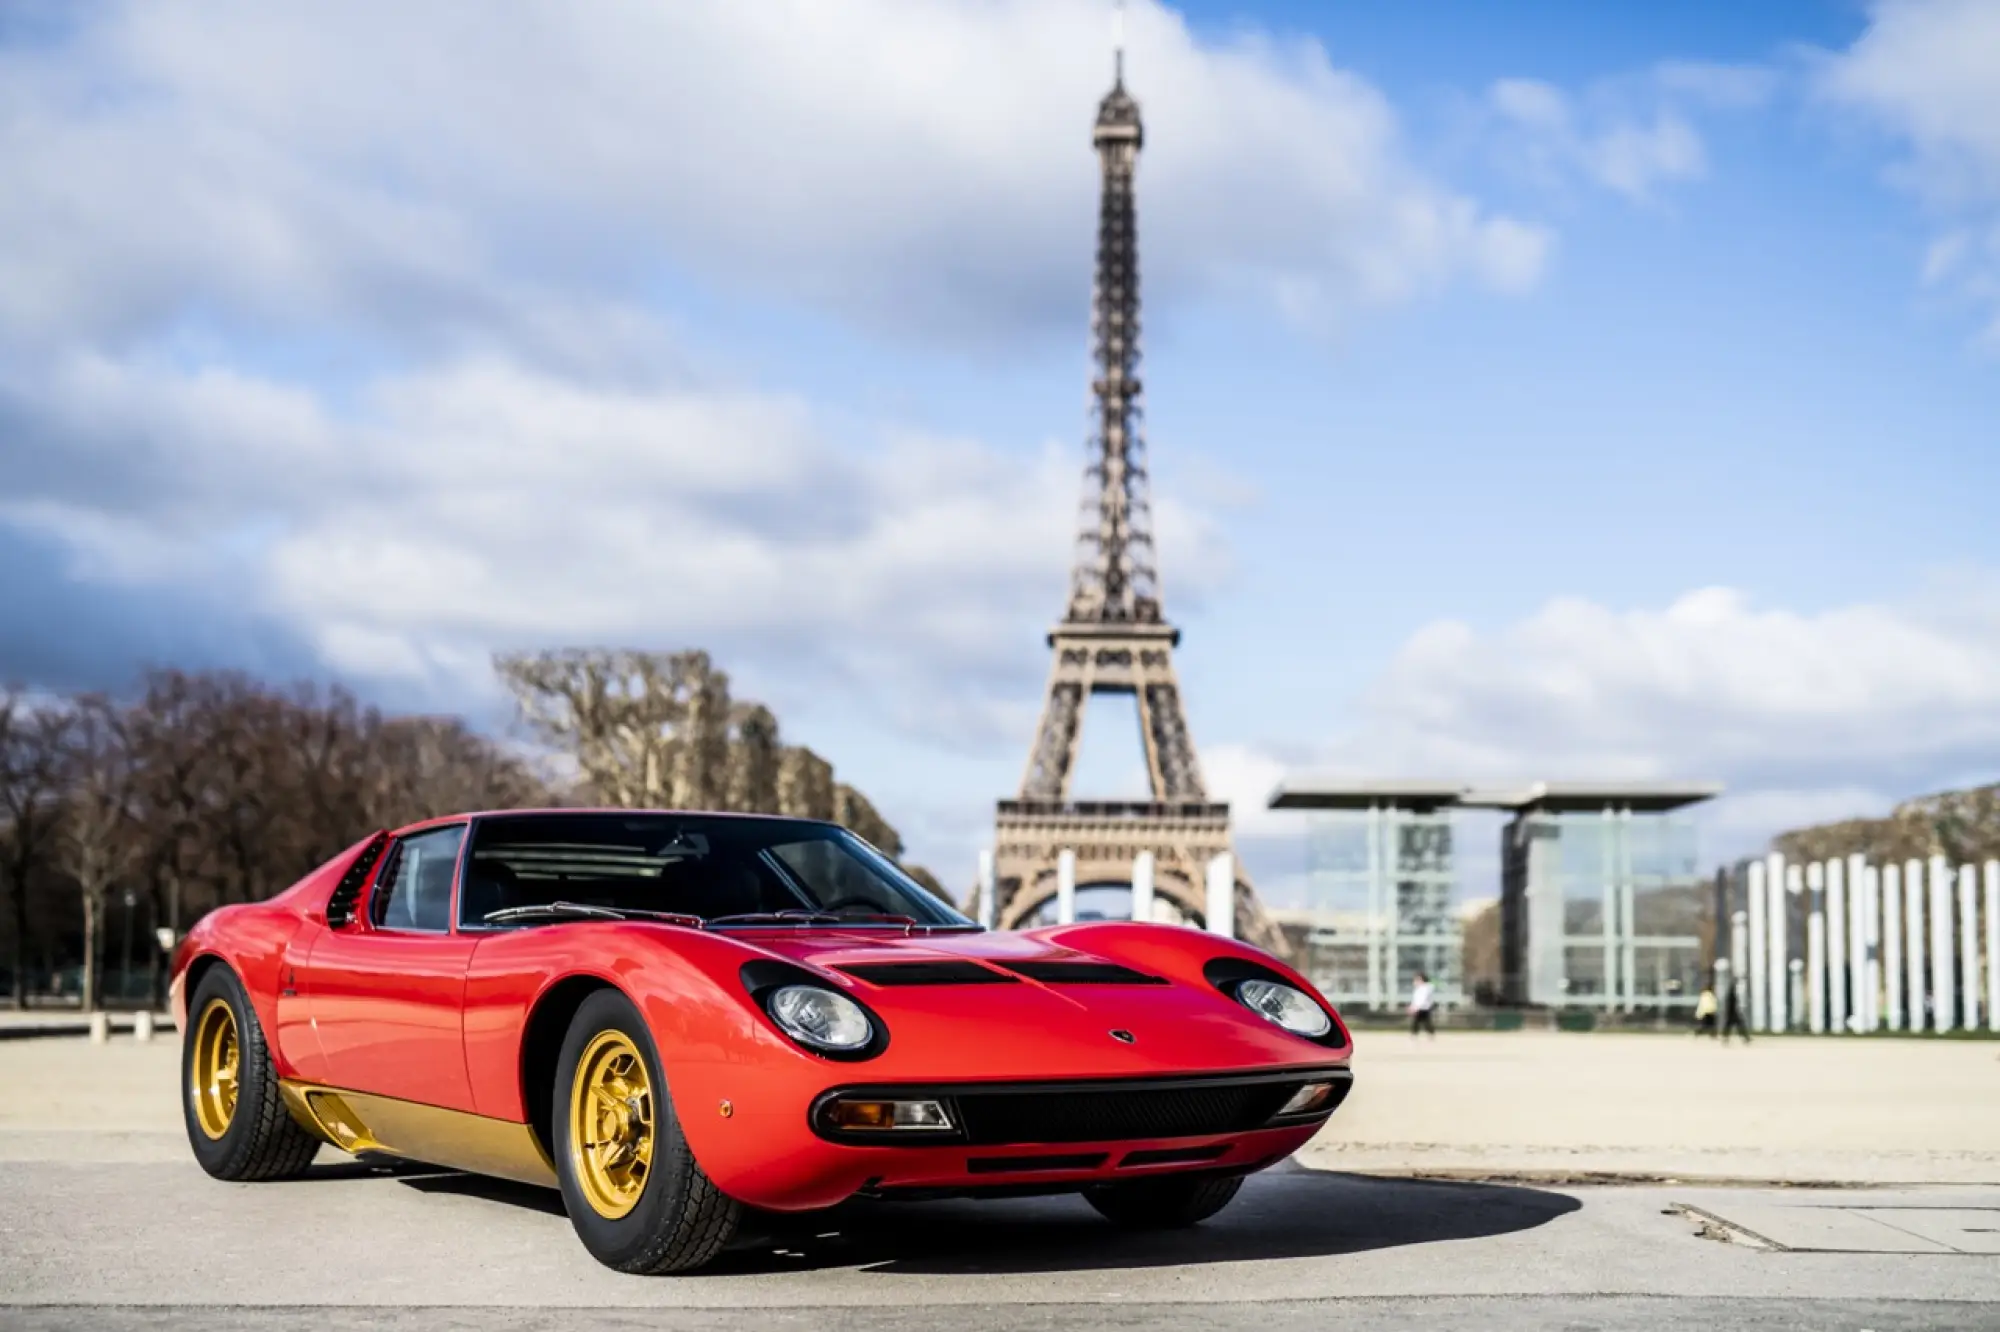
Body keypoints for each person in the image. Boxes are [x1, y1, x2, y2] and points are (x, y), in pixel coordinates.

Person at [1720, 979, 1751, 1044]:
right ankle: (1745, 1038)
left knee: (1729, 1027)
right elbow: (1733, 1005)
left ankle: (1725, 1038)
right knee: (1740, 1025)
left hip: (1731, 1013)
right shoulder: (1732, 995)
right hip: (1733, 1013)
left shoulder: (1730, 995)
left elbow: (1728, 1005)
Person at [1409, 971, 1436, 1038]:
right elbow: (1415, 999)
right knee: (1417, 1021)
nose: (1415, 981)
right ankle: (1415, 1033)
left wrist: (1415, 1007)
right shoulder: (1419, 989)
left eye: (1418, 979)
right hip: (1419, 1007)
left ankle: (1430, 1033)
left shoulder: (1425, 988)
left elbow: (1422, 999)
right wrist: (1413, 1006)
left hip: (1424, 1007)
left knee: (1425, 1022)